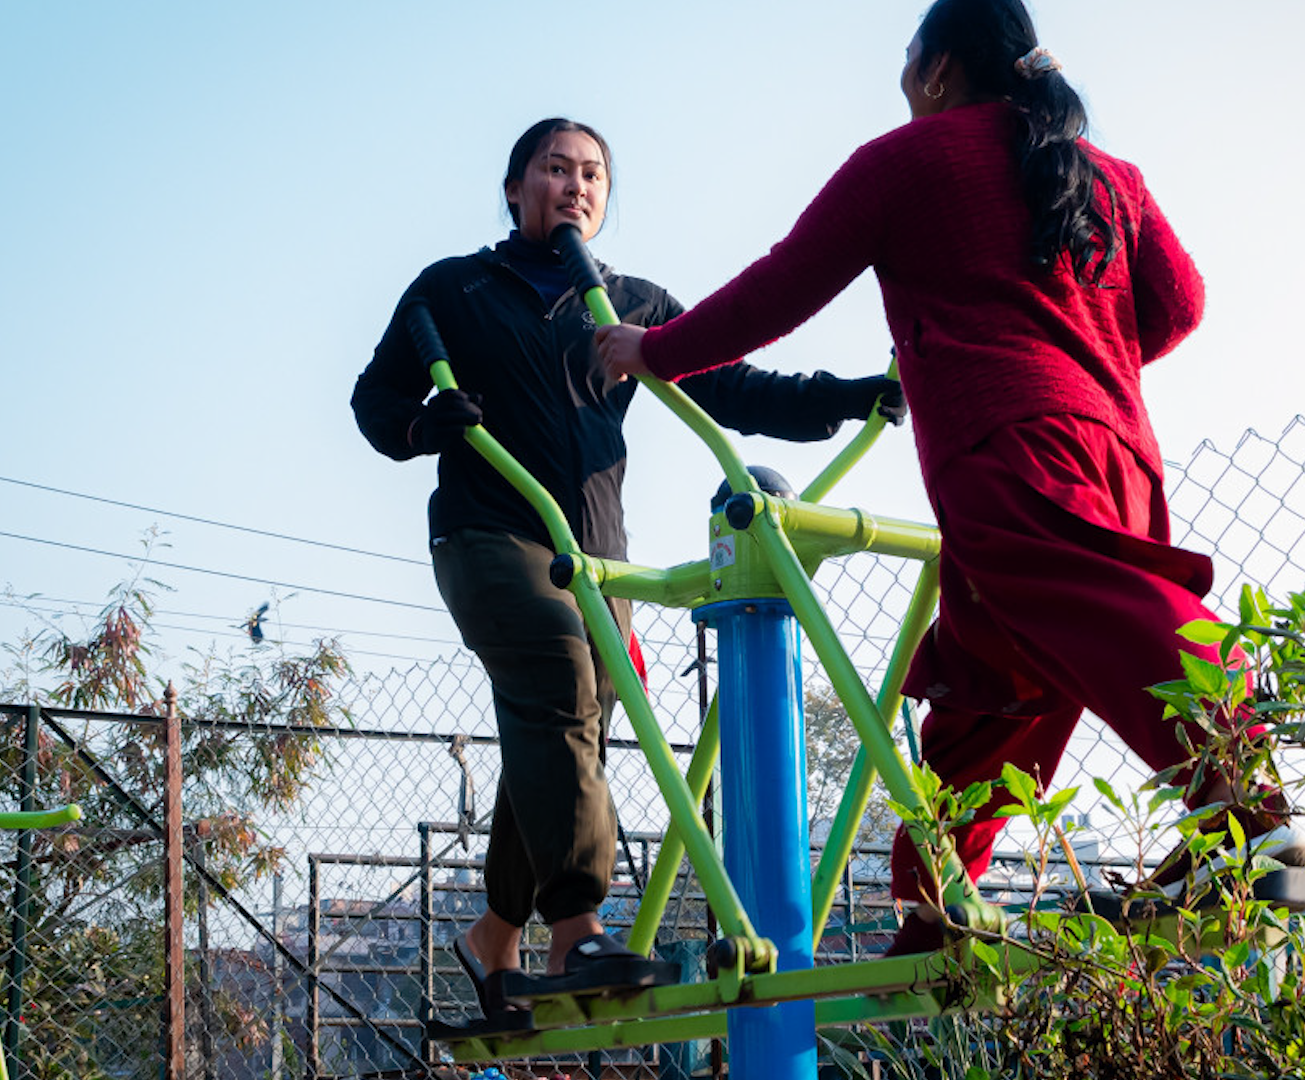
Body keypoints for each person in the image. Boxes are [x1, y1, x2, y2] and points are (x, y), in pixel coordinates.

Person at [593, 0, 1305, 954]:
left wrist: (656, 348)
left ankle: (1249, 814)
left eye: (906, 60)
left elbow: (784, 286)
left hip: (1007, 446)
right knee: (992, 679)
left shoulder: (908, 160)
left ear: (935, 70)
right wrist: (1081, 353)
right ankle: (934, 903)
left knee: (1111, 611)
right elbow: (1179, 307)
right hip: (1117, 450)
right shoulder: (1109, 176)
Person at [351, 117, 903, 1012]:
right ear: (514, 187)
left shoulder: (631, 305)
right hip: (490, 530)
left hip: (597, 559)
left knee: (572, 723)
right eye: (555, 168)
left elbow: (734, 385)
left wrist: (845, 396)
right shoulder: (453, 289)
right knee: (560, 677)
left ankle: (491, 941)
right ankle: (577, 932)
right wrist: (423, 428)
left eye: (593, 174)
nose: (576, 186)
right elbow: (375, 401)